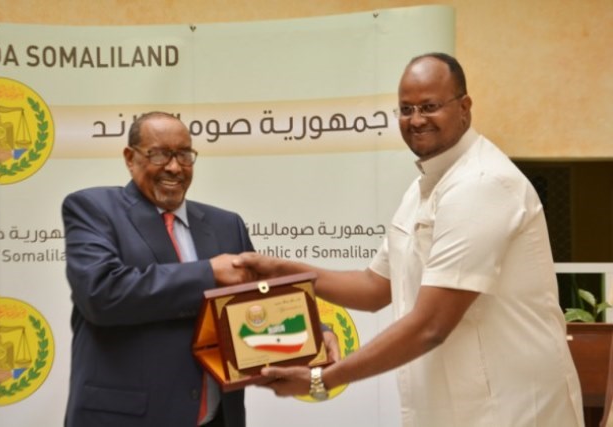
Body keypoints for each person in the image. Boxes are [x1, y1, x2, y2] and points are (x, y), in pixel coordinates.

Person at [236, 53, 585, 427]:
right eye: (406, 109)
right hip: (451, 408)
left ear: (464, 107)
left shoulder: (483, 184)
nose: (416, 119)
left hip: (509, 409)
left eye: (429, 106)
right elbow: (373, 287)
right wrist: (282, 272)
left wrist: (323, 379)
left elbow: (431, 324)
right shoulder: (424, 188)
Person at [62, 111, 256, 427]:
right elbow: (101, 294)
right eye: (160, 154)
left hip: (216, 418)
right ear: (130, 158)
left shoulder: (226, 224)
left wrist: (312, 335)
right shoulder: (94, 209)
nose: (175, 167)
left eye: (184, 155)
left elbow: (257, 303)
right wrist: (209, 273)